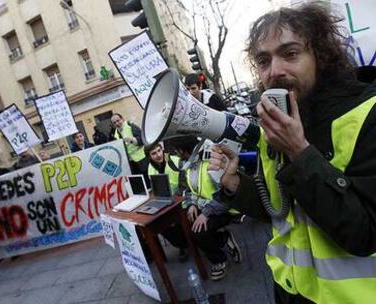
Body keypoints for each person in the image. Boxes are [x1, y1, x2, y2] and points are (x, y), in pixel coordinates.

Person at [210, 4, 376, 303]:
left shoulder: (367, 115)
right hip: (289, 290)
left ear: (321, 57)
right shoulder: (273, 129)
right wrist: (234, 184)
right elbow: (278, 209)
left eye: (290, 54)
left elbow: (365, 233)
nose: (274, 71)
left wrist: (300, 152)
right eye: (263, 61)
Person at [169, 136, 242, 281]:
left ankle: (219, 261)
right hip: (208, 207)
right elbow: (190, 190)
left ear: (184, 151)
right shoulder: (189, 164)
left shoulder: (212, 160)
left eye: (177, 152)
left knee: (198, 231)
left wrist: (206, 213)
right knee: (188, 223)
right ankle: (223, 239)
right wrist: (191, 205)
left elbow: (225, 195)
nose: (177, 155)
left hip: (227, 209)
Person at [144, 143, 188, 261]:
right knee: (159, 226)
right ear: (149, 156)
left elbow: (185, 183)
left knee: (175, 221)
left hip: (182, 200)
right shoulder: (150, 167)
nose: (158, 155)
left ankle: (185, 245)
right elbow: (155, 189)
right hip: (165, 202)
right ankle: (182, 245)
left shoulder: (174, 160)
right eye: (154, 153)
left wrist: (176, 197)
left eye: (159, 151)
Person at [110, 113, 149, 184]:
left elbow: (142, 139)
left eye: (118, 120)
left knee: (147, 179)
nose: (117, 123)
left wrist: (131, 140)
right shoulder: (115, 134)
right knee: (139, 182)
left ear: (122, 119)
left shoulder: (130, 126)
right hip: (130, 161)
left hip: (142, 157)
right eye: (114, 123)